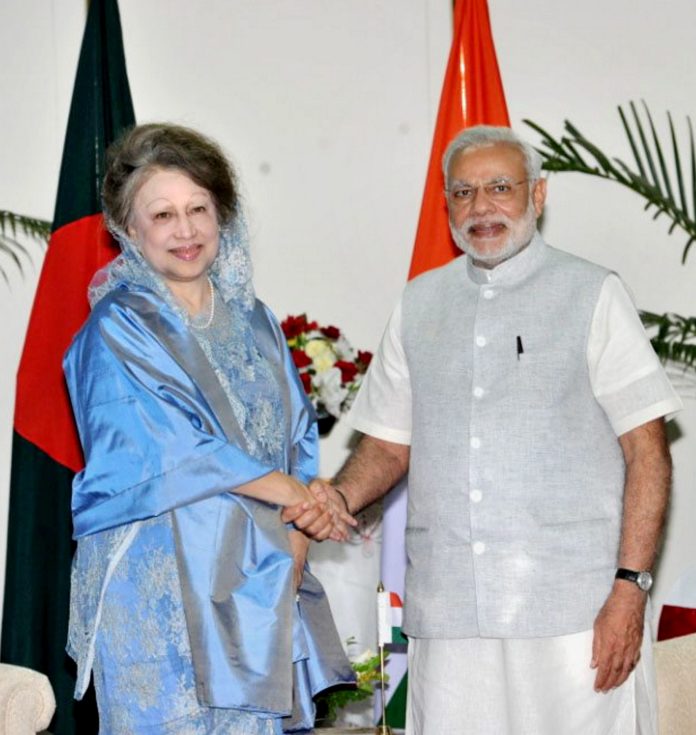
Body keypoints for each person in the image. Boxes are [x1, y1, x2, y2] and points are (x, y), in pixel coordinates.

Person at [284, 125, 683, 734]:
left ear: (537, 196)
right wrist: (337, 497)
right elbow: (388, 444)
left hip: (575, 618)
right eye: (464, 193)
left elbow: (647, 451)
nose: (481, 207)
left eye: (500, 187)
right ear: (447, 205)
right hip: (451, 621)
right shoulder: (419, 303)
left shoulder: (592, 293)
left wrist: (630, 588)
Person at [63, 123, 353, 734]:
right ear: (128, 229)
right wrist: (294, 495)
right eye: (162, 214)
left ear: (223, 213)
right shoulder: (116, 325)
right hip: (160, 583)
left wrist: (303, 519)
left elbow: (295, 435)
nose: (186, 230)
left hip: (258, 575)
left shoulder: (255, 320)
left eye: (198, 208)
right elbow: (170, 449)